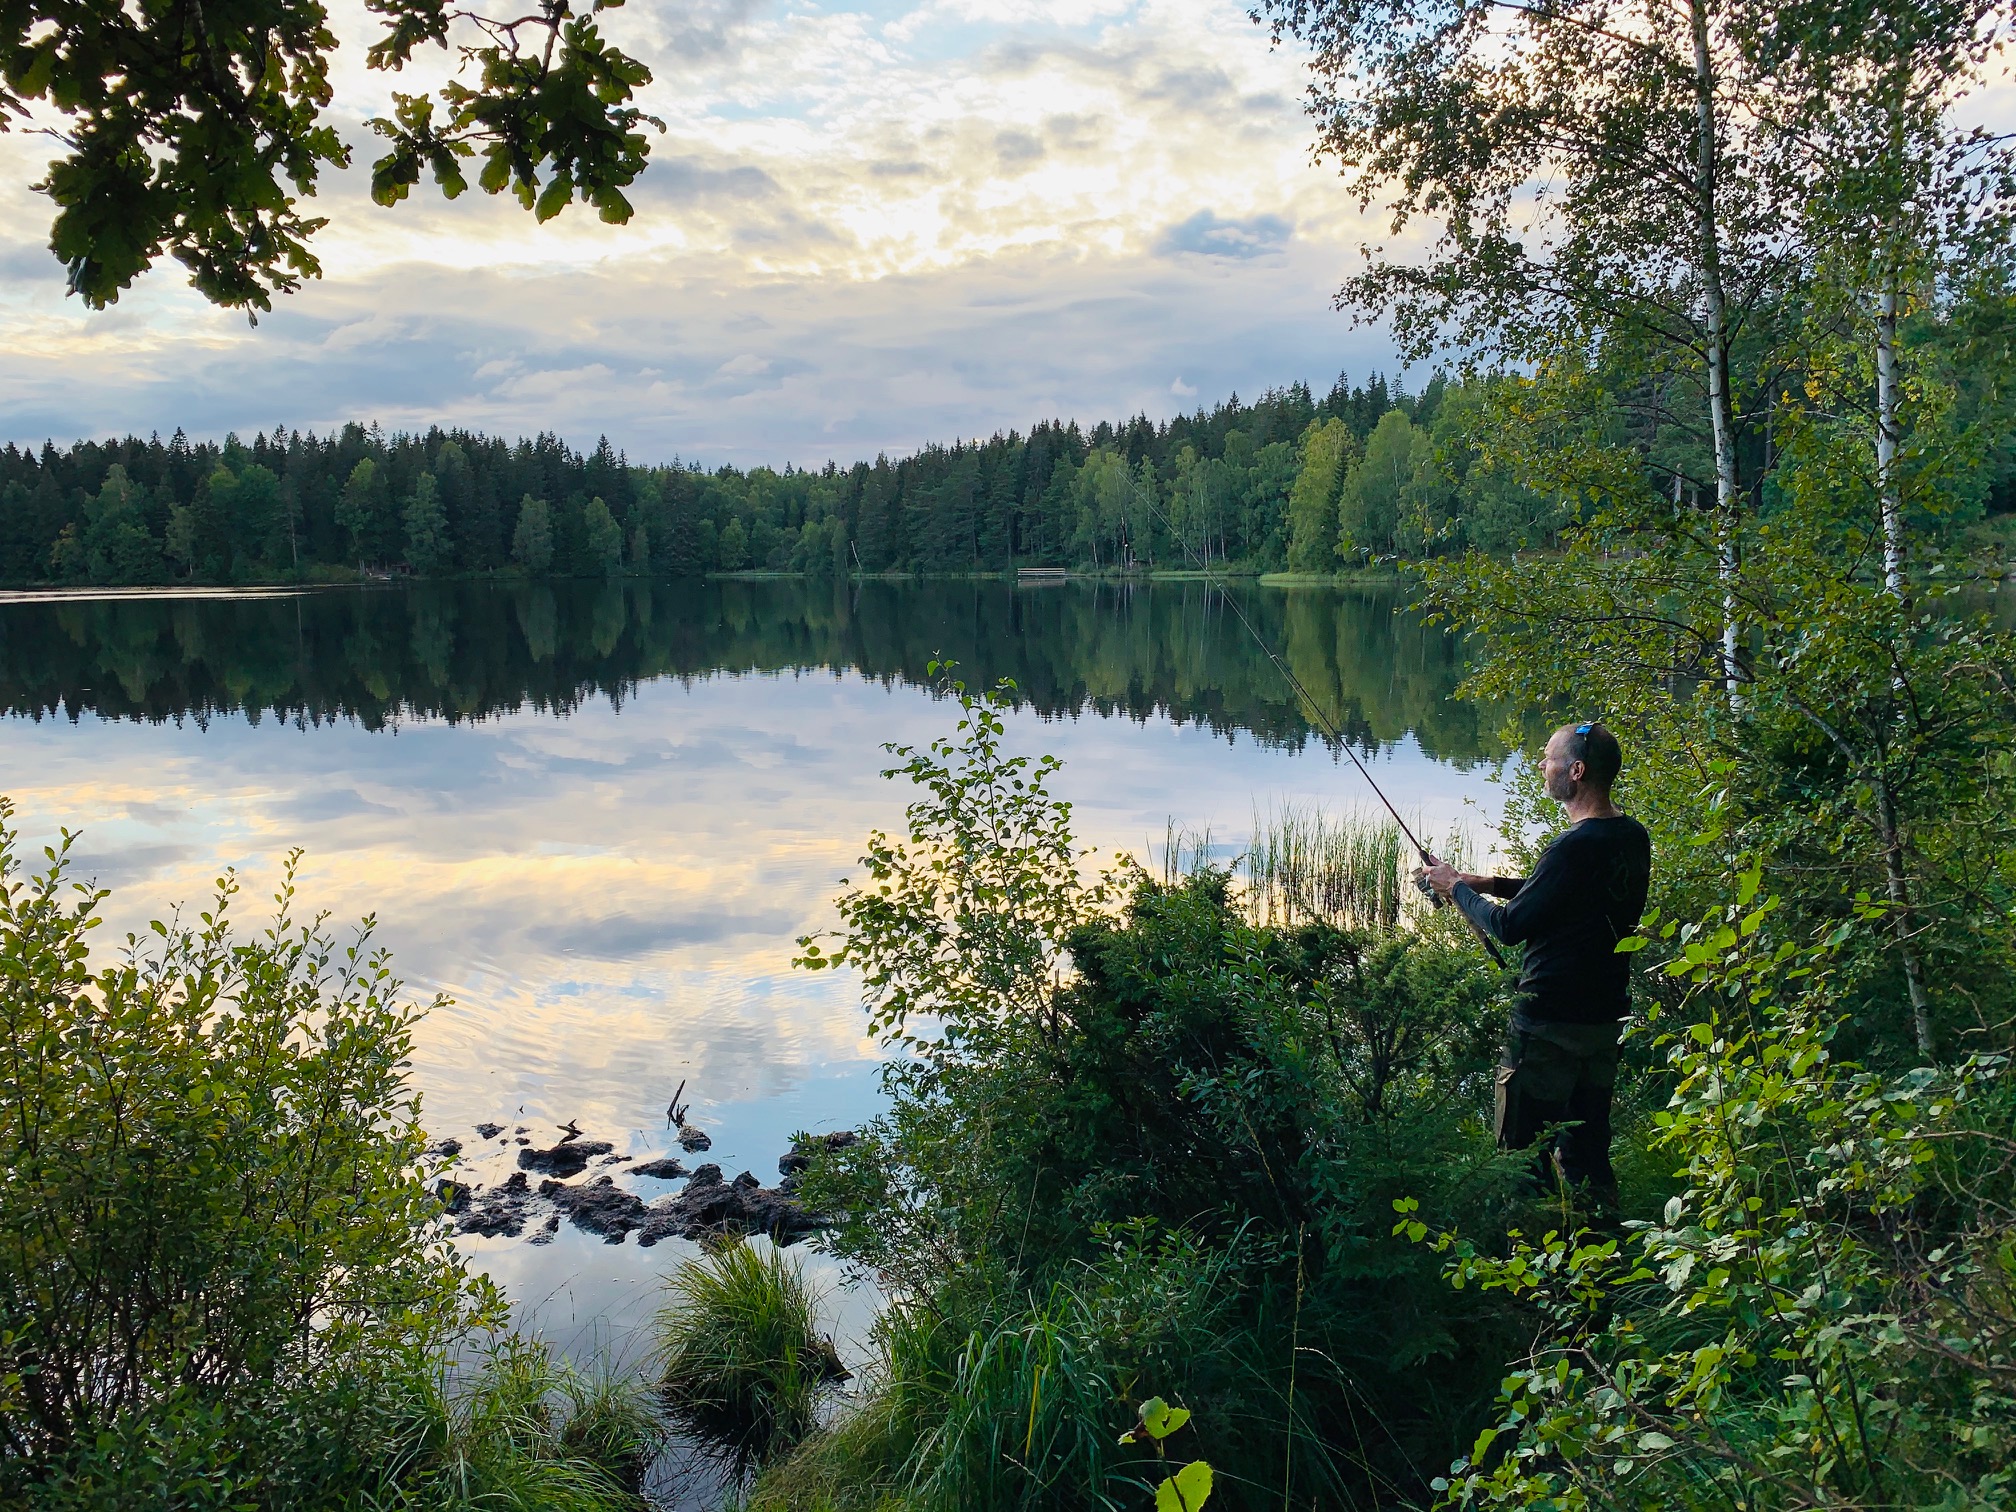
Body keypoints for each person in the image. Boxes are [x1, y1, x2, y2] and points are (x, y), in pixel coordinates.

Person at [1420, 721, 1650, 1206]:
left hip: (1547, 1026)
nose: (1541, 766)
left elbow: (1508, 928)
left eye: (1549, 759)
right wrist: (1486, 882)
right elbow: (1571, 895)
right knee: (1588, 1151)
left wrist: (1454, 889)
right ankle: (1604, 1257)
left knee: (1522, 1158)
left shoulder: (1571, 847)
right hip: (1604, 1022)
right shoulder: (1630, 837)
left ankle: (1530, 1271)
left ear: (1577, 771)